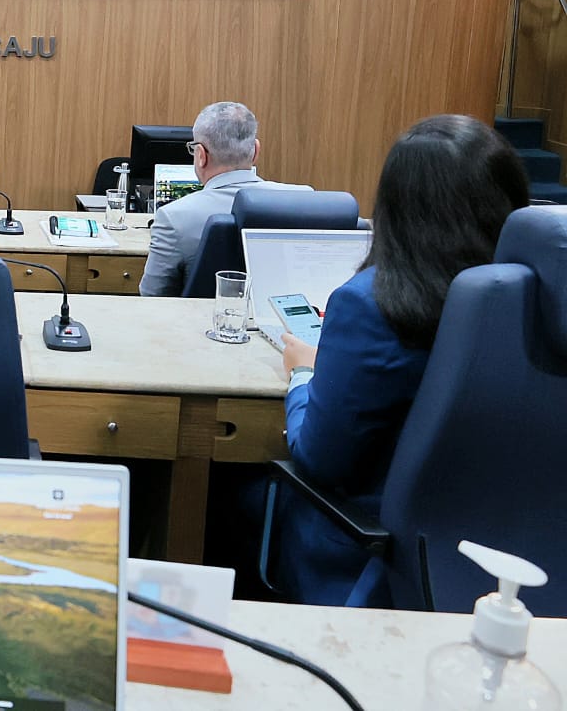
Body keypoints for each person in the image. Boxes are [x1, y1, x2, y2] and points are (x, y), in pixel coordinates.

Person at [274, 114, 527, 606]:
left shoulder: (371, 306)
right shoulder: (536, 302)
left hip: (374, 563)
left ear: (395, 206)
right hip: (515, 568)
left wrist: (304, 374)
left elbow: (318, 461)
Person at [138, 101, 311, 297]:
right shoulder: (304, 201)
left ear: (201, 155)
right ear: (255, 151)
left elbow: (152, 296)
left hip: (200, 317)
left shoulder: (173, 217)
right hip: (283, 317)